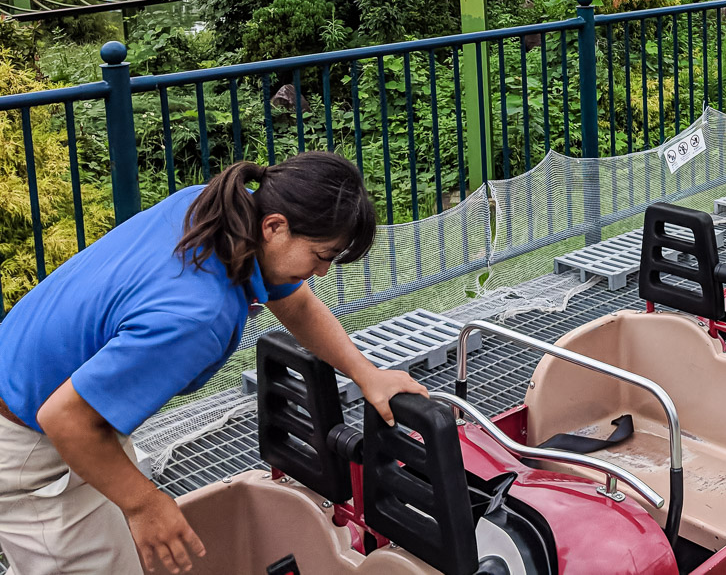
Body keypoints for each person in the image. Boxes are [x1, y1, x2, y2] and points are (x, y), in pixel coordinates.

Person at [0, 152, 425, 575]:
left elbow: (292, 299)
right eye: (321, 255)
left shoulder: (213, 208)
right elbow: (66, 420)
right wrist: (146, 505)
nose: (324, 271)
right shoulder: (199, 317)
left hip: (52, 394)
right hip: (32, 448)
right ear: (274, 227)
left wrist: (366, 373)